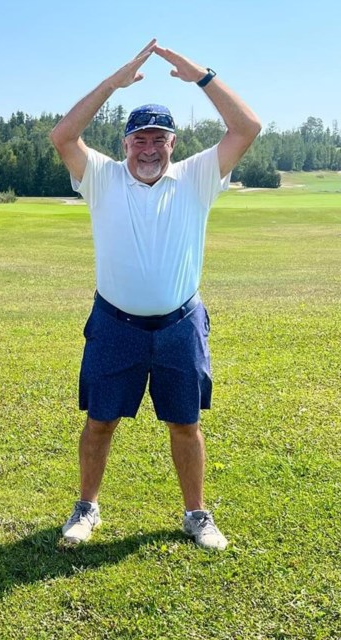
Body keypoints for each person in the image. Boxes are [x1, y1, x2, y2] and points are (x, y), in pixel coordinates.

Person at [49, 40, 261, 550]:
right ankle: (86, 508)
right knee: (100, 421)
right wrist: (111, 84)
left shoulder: (197, 177)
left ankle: (196, 514)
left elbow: (247, 128)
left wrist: (201, 76)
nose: (149, 149)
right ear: (125, 145)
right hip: (113, 323)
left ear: (173, 143)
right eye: (139, 139)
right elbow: (63, 135)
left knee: (185, 424)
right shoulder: (101, 177)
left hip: (179, 325)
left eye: (159, 140)